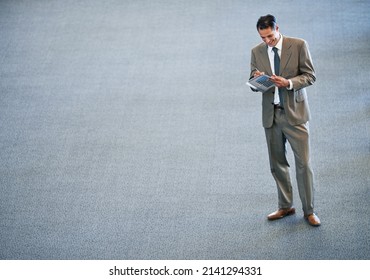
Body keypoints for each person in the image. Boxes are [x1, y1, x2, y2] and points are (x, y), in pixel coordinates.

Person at [249, 14, 321, 226]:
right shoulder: (256, 51)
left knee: (304, 164)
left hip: (295, 114)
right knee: (277, 164)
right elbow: (253, 83)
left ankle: (309, 211)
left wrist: (288, 83)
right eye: (263, 38)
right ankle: (285, 206)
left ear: (277, 28)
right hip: (271, 116)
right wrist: (257, 79)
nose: (267, 42)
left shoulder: (298, 45)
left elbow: (310, 75)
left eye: (270, 36)